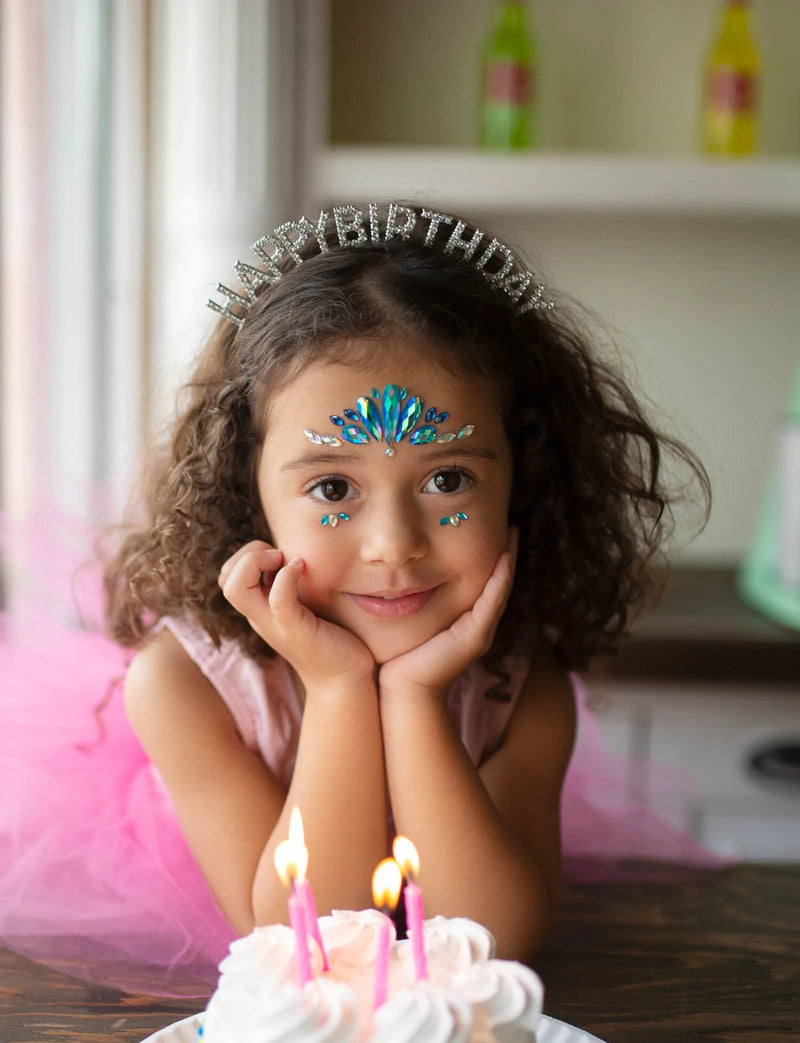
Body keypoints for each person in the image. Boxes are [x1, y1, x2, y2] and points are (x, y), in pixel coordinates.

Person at [0, 201, 719, 997]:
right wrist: (342, 690)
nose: (392, 543)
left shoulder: (522, 682)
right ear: (249, 491)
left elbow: (494, 943)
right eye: (333, 487)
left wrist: (413, 697)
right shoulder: (182, 686)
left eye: (448, 480)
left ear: (526, 477)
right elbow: (303, 946)